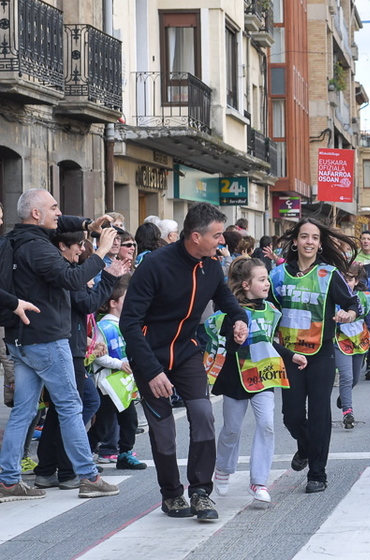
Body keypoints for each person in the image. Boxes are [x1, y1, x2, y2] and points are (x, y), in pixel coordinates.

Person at [122, 202, 249, 520]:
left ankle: (200, 492)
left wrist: (238, 318)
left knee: (204, 414)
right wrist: (151, 371)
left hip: (187, 351)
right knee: (164, 430)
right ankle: (171, 494)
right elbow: (129, 323)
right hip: (150, 356)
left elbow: (225, 298)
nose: (222, 241)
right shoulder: (155, 265)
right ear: (195, 236)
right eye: (217, 235)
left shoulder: (211, 265)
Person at [0, 189, 120, 502]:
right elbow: (72, 278)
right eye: (53, 207)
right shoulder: (39, 248)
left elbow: (61, 223)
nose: (58, 212)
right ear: (37, 214)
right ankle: (88, 476)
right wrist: (101, 252)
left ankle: (8, 480)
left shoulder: (15, 238)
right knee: (69, 406)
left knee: (24, 413)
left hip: (20, 340)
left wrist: (89, 224)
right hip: (46, 339)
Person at [269, 218, 360, 494]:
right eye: (304, 236)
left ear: (320, 245)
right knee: (291, 415)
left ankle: (317, 473)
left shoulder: (328, 274)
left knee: (320, 414)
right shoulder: (278, 275)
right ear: (294, 241)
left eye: (314, 238)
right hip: (290, 355)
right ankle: (306, 447)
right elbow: (267, 310)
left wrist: (348, 314)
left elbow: (352, 303)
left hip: (321, 355)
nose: (309, 242)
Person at [206, 257, 306, 504]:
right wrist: (235, 340)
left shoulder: (272, 311)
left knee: (267, 425)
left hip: (265, 375)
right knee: (232, 429)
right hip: (235, 377)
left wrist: (291, 355)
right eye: (261, 280)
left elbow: (267, 341)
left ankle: (258, 482)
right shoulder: (231, 314)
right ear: (245, 284)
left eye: (267, 279)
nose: (267, 284)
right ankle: (223, 469)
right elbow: (226, 345)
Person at [34, 233, 130, 487]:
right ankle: (66, 470)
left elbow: (81, 309)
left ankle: (48, 468)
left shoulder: (68, 272)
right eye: (80, 248)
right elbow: (87, 304)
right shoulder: (67, 274)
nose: (91, 273)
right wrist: (108, 276)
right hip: (65, 350)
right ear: (64, 247)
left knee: (64, 408)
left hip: (71, 347)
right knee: (74, 406)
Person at [90, 274, 147, 471]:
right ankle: (86, 455)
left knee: (130, 420)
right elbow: (97, 354)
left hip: (124, 384)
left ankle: (125, 453)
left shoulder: (126, 324)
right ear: (113, 303)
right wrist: (118, 364)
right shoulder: (104, 326)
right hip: (107, 384)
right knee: (103, 424)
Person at [334, 263, 370, 429]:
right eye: (343, 279)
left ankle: (344, 397)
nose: (346, 283)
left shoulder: (365, 297)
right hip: (339, 340)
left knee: (355, 378)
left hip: (359, 342)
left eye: (350, 279)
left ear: (356, 281)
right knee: (346, 376)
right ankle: (348, 412)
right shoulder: (333, 297)